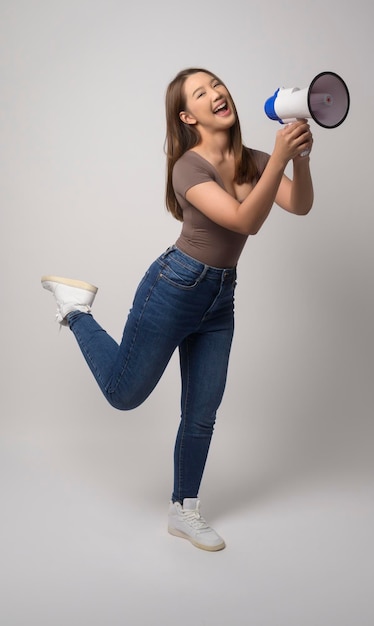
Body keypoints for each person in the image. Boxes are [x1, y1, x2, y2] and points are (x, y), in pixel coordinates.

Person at [41, 67, 314, 551]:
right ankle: (76, 310)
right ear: (188, 116)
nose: (217, 93)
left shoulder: (251, 160)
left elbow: (301, 203)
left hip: (219, 297)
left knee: (202, 412)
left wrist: (301, 161)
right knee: (124, 396)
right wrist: (277, 160)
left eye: (218, 84)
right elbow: (245, 222)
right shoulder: (188, 167)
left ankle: (184, 510)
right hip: (174, 286)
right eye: (201, 93)